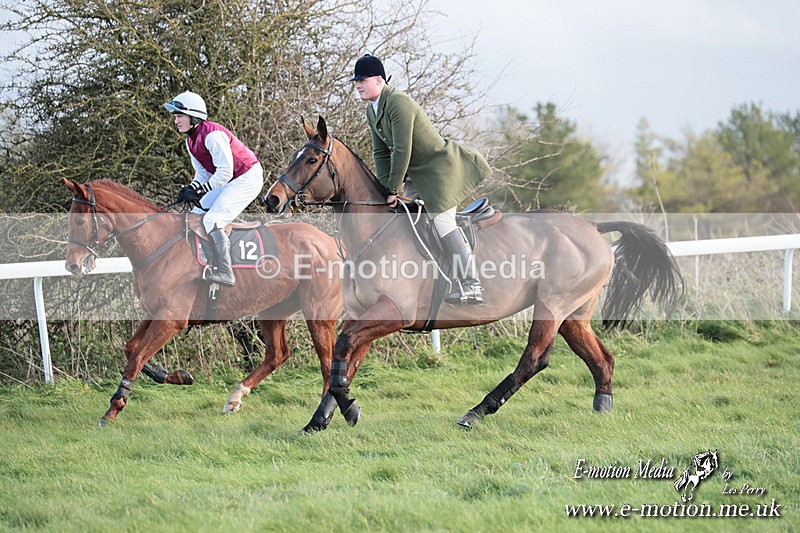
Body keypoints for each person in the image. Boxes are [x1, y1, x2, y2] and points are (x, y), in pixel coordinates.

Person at [351, 54, 492, 304]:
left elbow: (402, 150)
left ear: (379, 80)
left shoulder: (398, 103)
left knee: (442, 222)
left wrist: (394, 188)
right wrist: (385, 190)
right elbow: (380, 152)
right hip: (416, 175)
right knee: (403, 222)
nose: (358, 85)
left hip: (439, 171)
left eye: (362, 80)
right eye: (356, 81)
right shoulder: (371, 110)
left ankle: (472, 284)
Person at [164, 91, 264, 287]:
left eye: (179, 116)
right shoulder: (190, 140)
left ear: (193, 116)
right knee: (194, 215)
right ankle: (201, 263)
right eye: (175, 117)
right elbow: (202, 174)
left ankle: (226, 271)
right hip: (229, 180)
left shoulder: (213, 135)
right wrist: (191, 188)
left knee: (212, 219)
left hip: (246, 178)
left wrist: (202, 190)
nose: (176, 121)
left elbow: (225, 172)